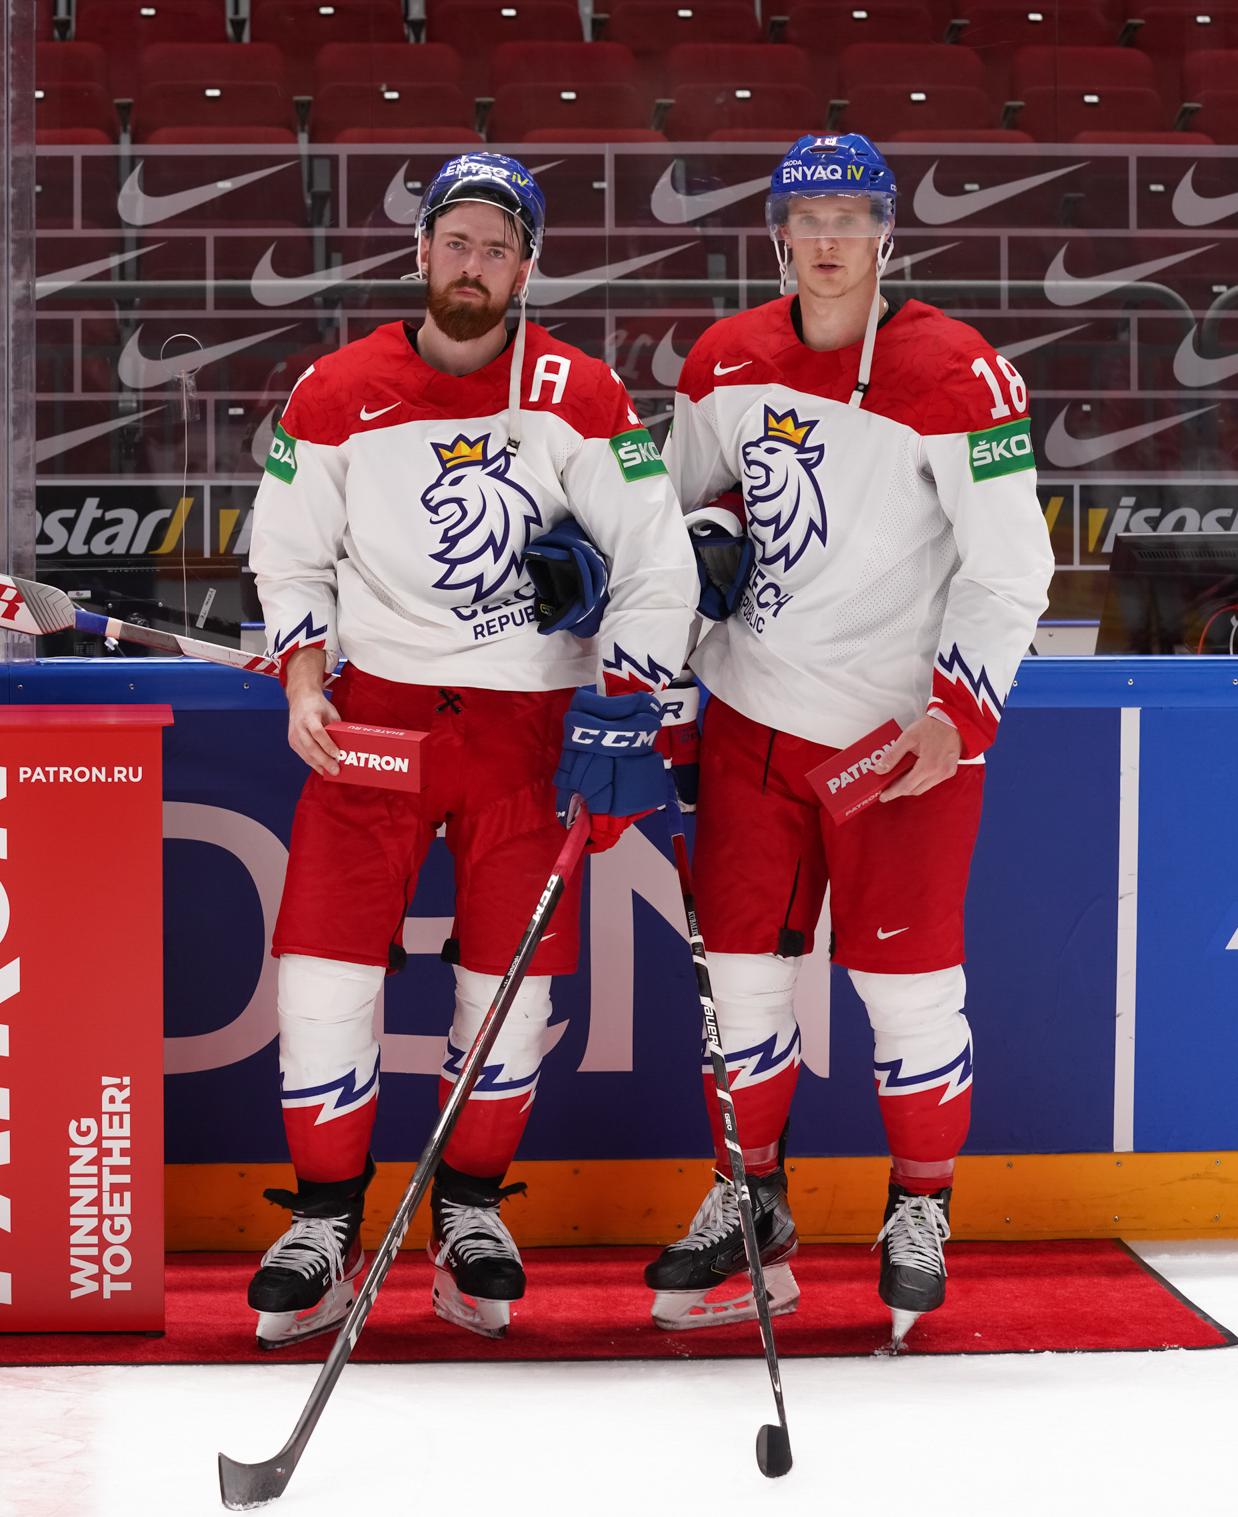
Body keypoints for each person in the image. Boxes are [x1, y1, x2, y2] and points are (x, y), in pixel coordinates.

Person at [245, 152, 699, 1347]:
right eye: (456, 240)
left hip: (528, 727)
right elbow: (286, 550)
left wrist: (626, 695)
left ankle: (467, 1210)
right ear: (419, 251)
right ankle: (327, 1218)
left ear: (526, 267)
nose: (472, 264)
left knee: (510, 989)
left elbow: (660, 562)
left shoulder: (583, 391)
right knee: (320, 977)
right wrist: (301, 673)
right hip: (375, 716)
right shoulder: (334, 389)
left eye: (497, 247)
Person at [651, 134, 1053, 1346]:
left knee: (908, 991)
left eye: (850, 214)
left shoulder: (961, 375)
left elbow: (1010, 567)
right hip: (752, 721)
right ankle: (751, 1196)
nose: (827, 238)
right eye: (805, 215)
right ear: (775, 231)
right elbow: (675, 532)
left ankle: (919, 1205)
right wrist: (676, 692)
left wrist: (957, 711)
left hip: (901, 742)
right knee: (742, 989)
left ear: (885, 232)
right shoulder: (722, 358)